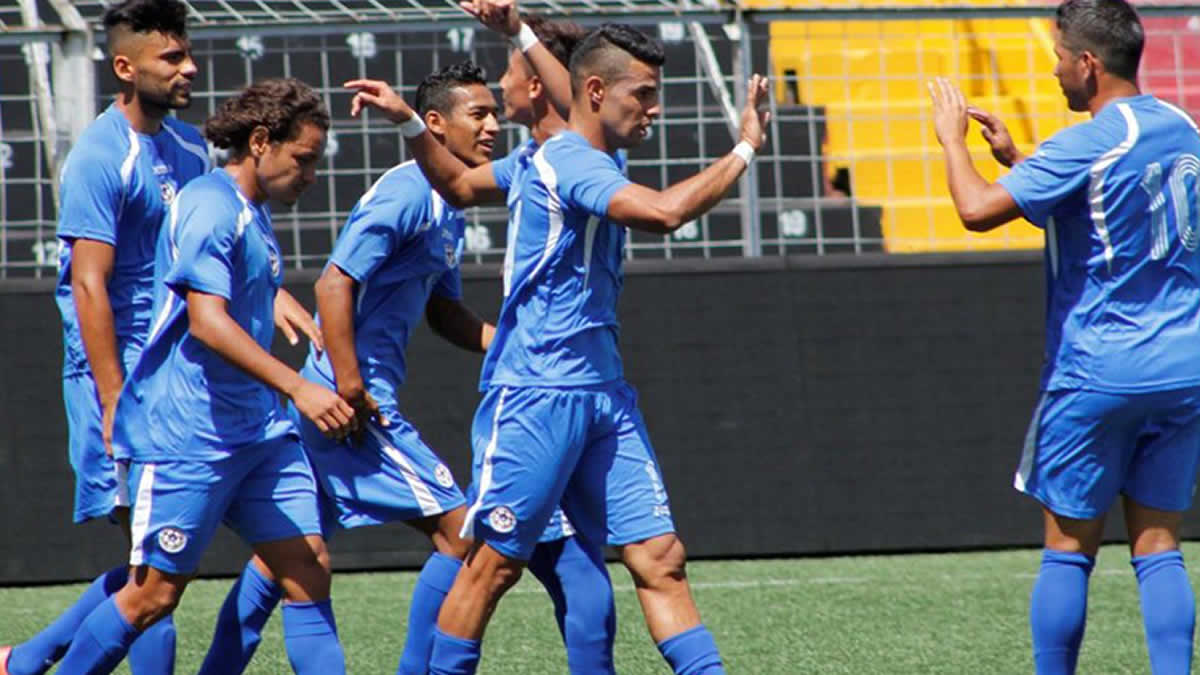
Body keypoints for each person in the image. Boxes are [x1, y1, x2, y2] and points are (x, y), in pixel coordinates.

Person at [348, 22, 769, 675]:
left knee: (660, 558)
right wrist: (744, 146)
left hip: (603, 395)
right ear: (598, 91)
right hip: (536, 394)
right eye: (646, 95)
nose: (655, 109)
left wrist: (515, 27)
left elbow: (465, 182)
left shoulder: (574, 151)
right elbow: (662, 214)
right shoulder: (565, 161)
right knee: (490, 567)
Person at [928, 0, 1200, 672]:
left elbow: (974, 211)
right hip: (1184, 366)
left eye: (1057, 58)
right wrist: (1020, 159)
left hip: (1100, 368)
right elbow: (1113, 213)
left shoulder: (1087, 141)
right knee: (1159, 544)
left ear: (1087, 63)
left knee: (1068, 549)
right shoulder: (1184, 126)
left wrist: (951, 141)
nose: (1052, 73)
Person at [50, 77, 356, 675]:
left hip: (257, 434)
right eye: (304, 159)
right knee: (151, 597)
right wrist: (297, 387)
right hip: (190, 434)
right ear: (262, 142)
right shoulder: (212, 205)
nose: (312, 175)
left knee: (307, 564)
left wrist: (273, 300)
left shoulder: (248, 210)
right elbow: (207, 322)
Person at [1, 1, 205, 672]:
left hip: (180, 382)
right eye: (171, 58)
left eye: (187, 53)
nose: (189, 68)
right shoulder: (99, 154)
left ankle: (26, 659)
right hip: (120, 384)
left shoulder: (191, 148)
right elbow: (89, 284)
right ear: (125, 67)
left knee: (155, 563)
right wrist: (116, 397)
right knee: (154, 567)